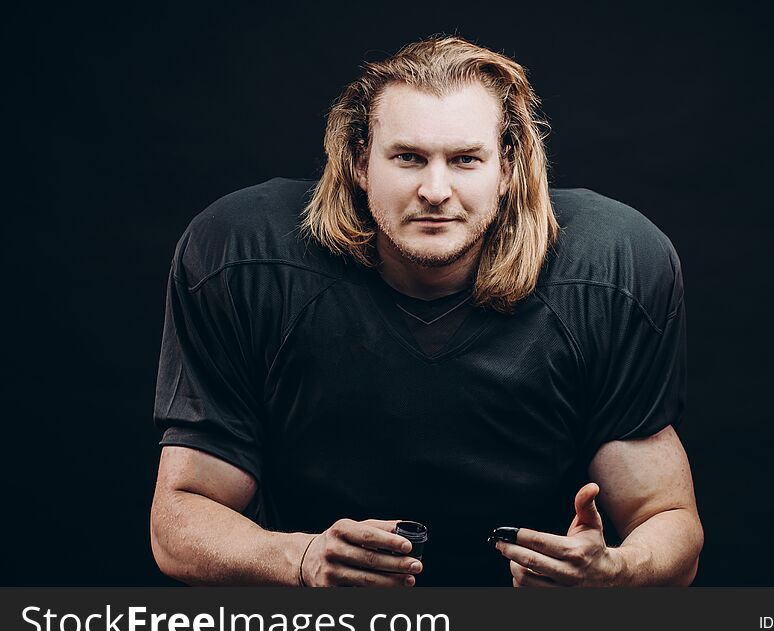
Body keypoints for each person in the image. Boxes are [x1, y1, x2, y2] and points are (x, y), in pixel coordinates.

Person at [150, 35, 703, 587]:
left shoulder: (609, 271)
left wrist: (615, 574)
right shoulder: (245, 260)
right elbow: (179, 519)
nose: (435, 190)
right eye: (409, 157)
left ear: (507, 167)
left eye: (465, 159)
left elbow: (667, 517)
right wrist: (300, 558)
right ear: (361, 162)